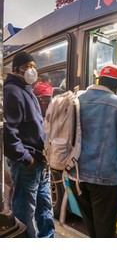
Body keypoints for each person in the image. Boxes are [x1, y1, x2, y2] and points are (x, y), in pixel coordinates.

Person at [68, 64, 117, 237]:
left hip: (76, 176)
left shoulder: (76, 100)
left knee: (92, 229)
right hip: (105, 178)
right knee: (105, 231)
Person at [3, 51, 55, 238]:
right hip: (28, 164)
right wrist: (26, 158)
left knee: (45, 205)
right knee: (25, 210)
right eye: (28, 66)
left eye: (34, 66)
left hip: (40, 162)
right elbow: (10, 132)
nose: (32, 70)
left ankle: (47, 238)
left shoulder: (27, 89)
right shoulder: (12, 91)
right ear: (16, 69)